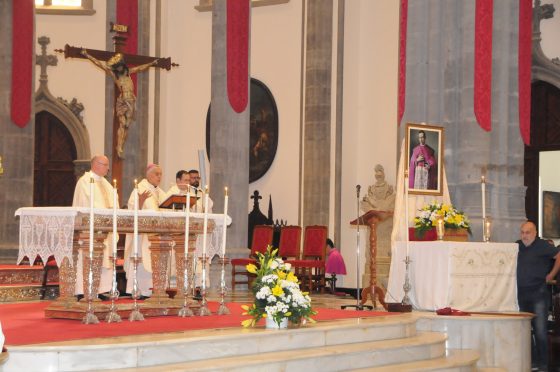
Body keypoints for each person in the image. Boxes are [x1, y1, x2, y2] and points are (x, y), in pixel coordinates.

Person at [81, 49, 158, 158]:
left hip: (131, 100)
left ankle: (120, 144)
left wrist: (151, 63)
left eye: (122, 66)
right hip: (123, 100)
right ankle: (119, 146)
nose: (121, 68)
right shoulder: (115, 76)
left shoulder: (129, 74)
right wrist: (88, 55)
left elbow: (141, 68)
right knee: (122, 123)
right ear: (117, 68)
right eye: (119, 67)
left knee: (127, 125)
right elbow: (99, 64)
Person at [516, 221, 560, 371]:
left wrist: (551, 274)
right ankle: (532, 362)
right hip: (521, 294)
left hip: (538, 294)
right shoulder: (518, 245)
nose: (524, 236)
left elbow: (559, 256)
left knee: (540, 331)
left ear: (535, 233)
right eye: (522, 232)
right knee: (525, 332)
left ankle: (543, 365)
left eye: (527, 232)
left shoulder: (543, 245)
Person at [72, 155, 116, 299]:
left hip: (104, 228)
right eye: (105, 165)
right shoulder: (85, 181)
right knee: (88, 257)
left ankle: (100, 290)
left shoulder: (107, 184)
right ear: (95, 165)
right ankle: (83, 290)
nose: (108, 168)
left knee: (104, 259)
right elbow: (85, 203)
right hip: (89, 230)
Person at [123, 164, 167, 298]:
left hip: (157, 236)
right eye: (156, 174)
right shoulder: (140, 188)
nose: (159, 177)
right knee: (142, 261)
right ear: (148, 175)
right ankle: (139, 291)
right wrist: (140, 202)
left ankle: (154, 289)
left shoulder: (160, 192)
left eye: (160, 174)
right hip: (143, 236)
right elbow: (131, 209)